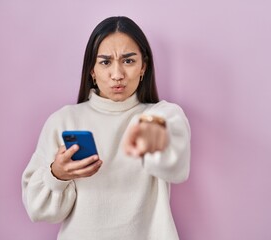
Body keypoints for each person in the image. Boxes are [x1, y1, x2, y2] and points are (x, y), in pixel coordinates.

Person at [22, 16, 191, 240]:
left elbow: (175, 168)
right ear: (92, 70)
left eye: (128, 61)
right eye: (105, 62)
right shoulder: (64, 121)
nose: (117, 74)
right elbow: (38, 209)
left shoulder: (162, 115)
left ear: (144, 67)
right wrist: (57, 175)